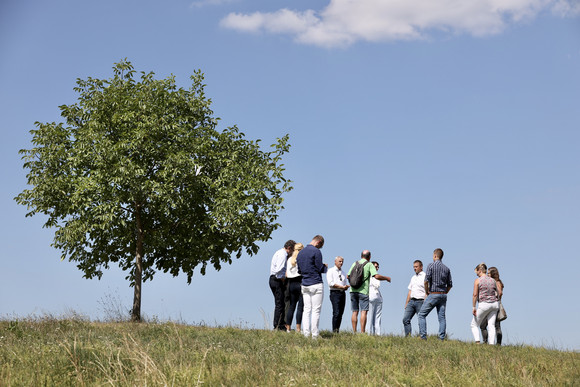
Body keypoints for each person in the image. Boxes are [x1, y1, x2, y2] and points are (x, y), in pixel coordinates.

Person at [348, 250, 391, 333]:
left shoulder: (355, 263)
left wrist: (354, 283)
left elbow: (348, 275)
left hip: (353, 291)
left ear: (361, 256)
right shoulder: (369, 264)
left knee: (354, 312)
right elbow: (376, 276)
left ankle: (354, 332)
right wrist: (386, 278)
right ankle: (362, 332)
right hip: (363, 291)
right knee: (363, 312)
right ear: (369, 257)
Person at [296, 235, 327, 339]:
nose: (320, 248)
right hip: (315, 283)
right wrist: (325, 267)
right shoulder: (316, 252)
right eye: (320, 246)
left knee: (306, 309)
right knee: (316, 310)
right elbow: (319, 267)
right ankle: (314, 335)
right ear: (318, 242)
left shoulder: (300, 253)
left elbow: (299, 270)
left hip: (304, 283)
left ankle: (305, 334)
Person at [418, 248, 453, 340]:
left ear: (435, 255)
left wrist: (427, 292)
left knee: (421, 314)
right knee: (441, 317)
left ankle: (423, 336)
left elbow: (426, 281)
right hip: (443, 295)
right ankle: (441, 338)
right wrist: (444, 292)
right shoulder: (447, 268)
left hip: (433, 293)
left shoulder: (431, 266)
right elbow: (450, 285)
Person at [471, 263, 502, 344]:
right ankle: (491, 344)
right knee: (491, 325)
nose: (476, 274)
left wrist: (474, 307)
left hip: (484, 304)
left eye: (477, 272)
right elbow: (499, 292)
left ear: (480, 270)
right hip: (494, 304)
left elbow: (474, 295)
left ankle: (477, 342)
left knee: (474, 324)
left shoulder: (478, 281)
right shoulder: (492, 280)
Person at [269, 239, 295, 330]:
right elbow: (279, 270)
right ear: (289, 248)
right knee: (280, 303)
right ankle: (278, 325)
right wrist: (284, 278)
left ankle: (280, 324)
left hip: (275, 279)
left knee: (280, 303)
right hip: (277, 280)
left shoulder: (279, 252)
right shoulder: (283, 255)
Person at [480, 266, 504, 345]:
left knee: (485, 325)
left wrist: (496, 298)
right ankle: (497, 343)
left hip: (494, 304)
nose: (487, 274)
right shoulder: (498, 281)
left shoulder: (495, 282)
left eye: (489, 273)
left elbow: (500, 293)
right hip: (495, 304)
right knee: (496, 325)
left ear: (493, 274)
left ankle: (487, 342)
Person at [402, 259, 426, 336]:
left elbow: (427, 290)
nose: (414, 268)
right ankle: (408, 337)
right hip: (411, 301)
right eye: (414, 267)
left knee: (421, 319)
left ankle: (422, 337)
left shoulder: (425, 276)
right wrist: (406, 303)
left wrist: (425, 301)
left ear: (421, 267)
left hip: (420, 301)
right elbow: (410, 291)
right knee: (405, 319)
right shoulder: (413, 277)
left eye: (416, 267)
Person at [326, 256, 350, 333]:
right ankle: (334, 331)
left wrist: (345, 287)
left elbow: (345, 283)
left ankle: (337, 330)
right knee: (336, 312)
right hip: (334, 293)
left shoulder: (343, 273)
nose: (341, 263)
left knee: (340, 313)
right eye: (339, 261)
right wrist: (342, 287)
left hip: (342, 293)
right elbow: (331, 283)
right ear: (335, 261)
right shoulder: (331, 271)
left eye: (342, 261)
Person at [285, 242, 304, 332]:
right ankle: (298, 328)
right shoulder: (301, 259)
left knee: (292, 306)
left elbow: (287, 273)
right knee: (300, 306)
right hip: (300, 282)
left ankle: (288, 327)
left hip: (291, 283)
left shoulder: (289, 260)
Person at [366, 261, 385, 335]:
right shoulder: (368, 276)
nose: (377, 268)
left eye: (377, 267)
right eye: (375, 266)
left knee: (378, 317)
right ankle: (368, 333)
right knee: (369, 317)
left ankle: (377, 334)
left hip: (378, 297)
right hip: (371, 297)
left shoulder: (377, 277)